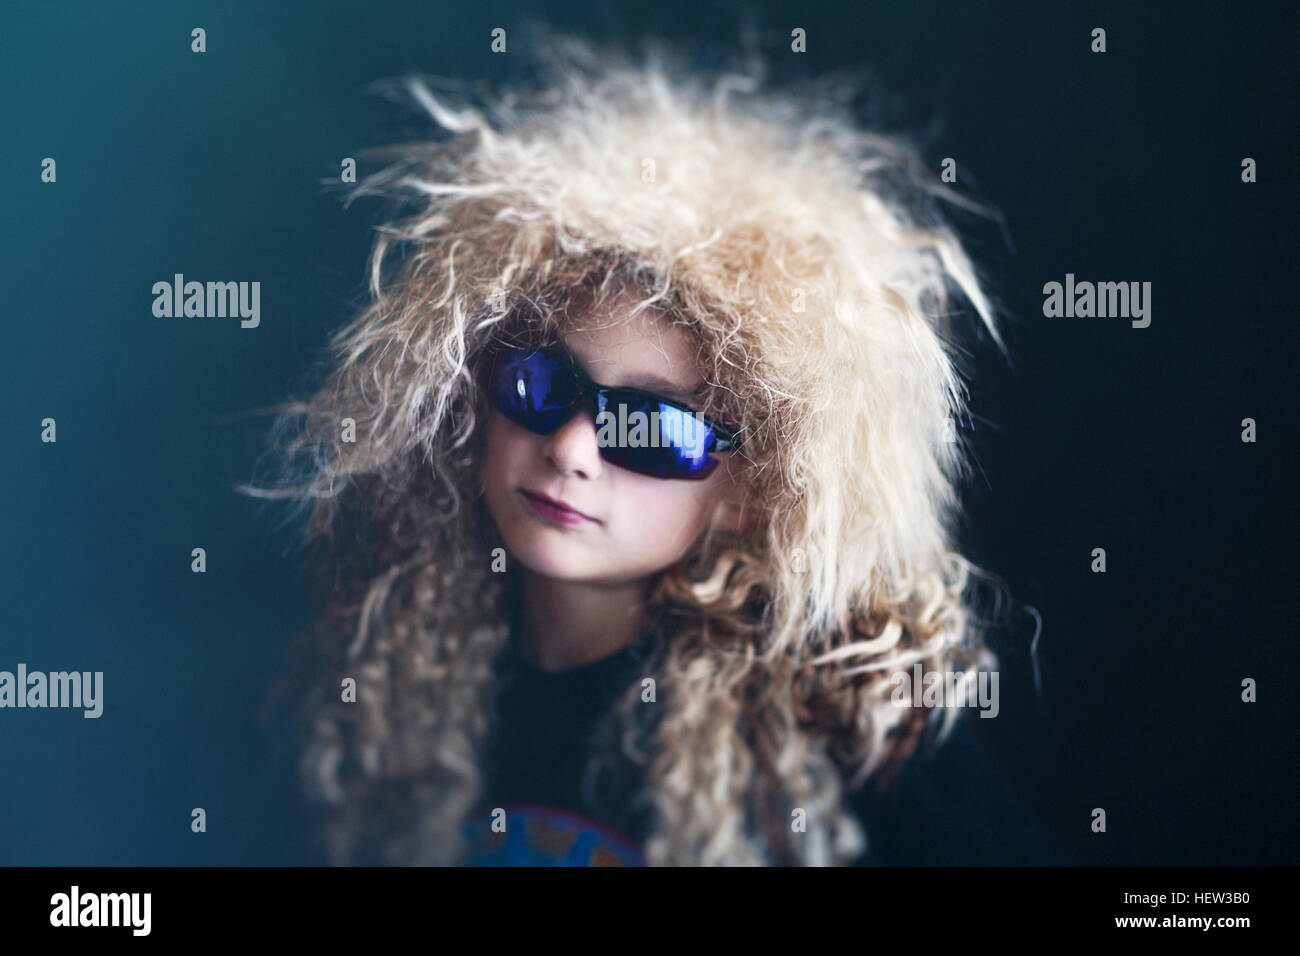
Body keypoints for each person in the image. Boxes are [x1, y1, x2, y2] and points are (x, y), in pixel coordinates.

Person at [244, 34, 1063, 866]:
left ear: (754, 489)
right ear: (472, 398)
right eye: (539, 385)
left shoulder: (839, 727)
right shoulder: (385, 673)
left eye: (652, 428)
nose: (570, 448)